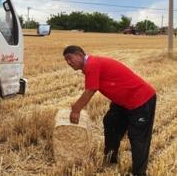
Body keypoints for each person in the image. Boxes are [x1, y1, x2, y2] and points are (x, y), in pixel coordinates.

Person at [63, 45, 156, 176]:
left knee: (138, 137)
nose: (68, 63)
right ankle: (111, 159)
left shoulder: (92, 64)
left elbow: (91, 90)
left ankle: (139, 173)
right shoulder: (91, 65)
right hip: (123, 101)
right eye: (66, 60)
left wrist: (76, 110)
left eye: (70, 58)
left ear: (79, 54)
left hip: (141, 100)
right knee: (111, 121)